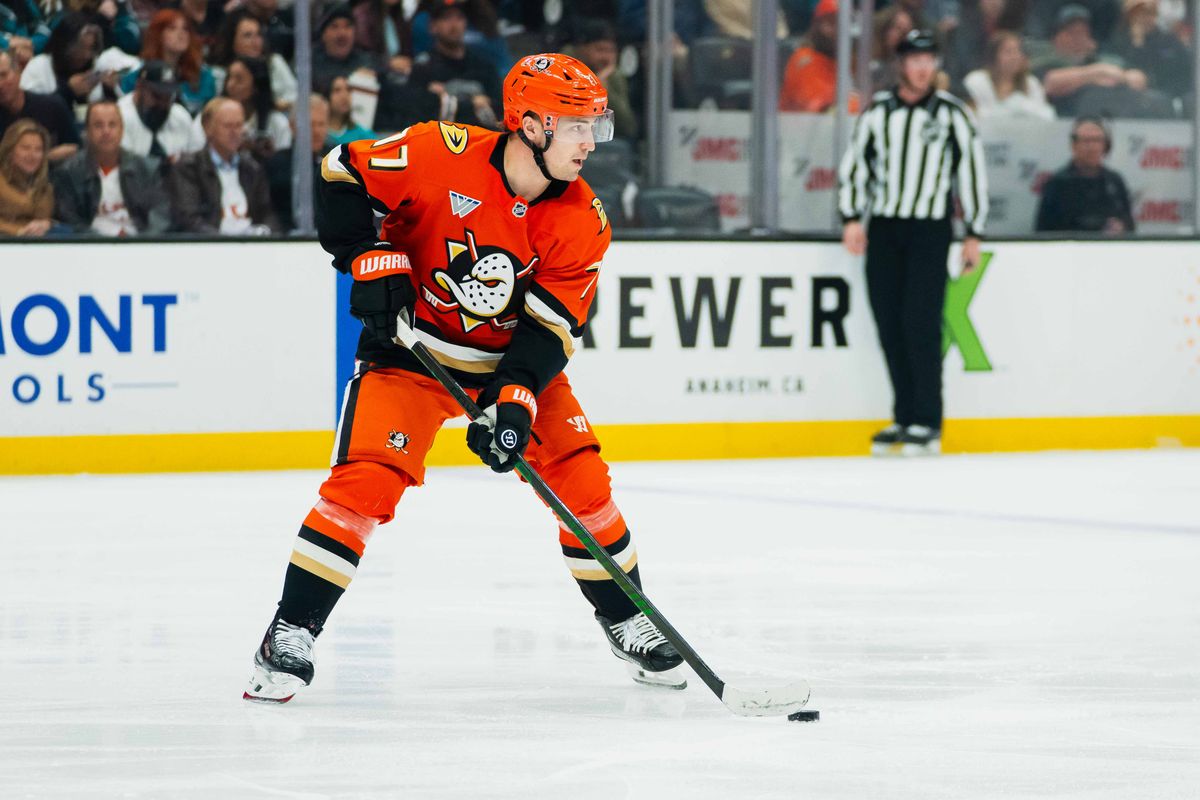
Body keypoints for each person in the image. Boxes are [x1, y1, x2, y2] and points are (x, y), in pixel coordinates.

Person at [243, 53, 685, 704]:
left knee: (584, 483)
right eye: (575, 125)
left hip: (504, 365)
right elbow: (341, 173)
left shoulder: (581, 220)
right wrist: (368, 257)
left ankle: (627, 618)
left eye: (597, 125)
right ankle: (289, 631)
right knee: (364, 483)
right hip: (410, 355)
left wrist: (513, 401)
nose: (590, 142)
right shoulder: (436, 152)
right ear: (529, 125)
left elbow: (549, 331)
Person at [838, 30, 988, 456]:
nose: (922, 67)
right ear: (901, 64)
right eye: (914, 59)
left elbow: (971, 173)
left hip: (929, 229)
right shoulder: (879, 112)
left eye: (929, 59)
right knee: (889, 323)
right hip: (885, 226)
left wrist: (973, 232)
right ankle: (904, 415)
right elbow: (856, 167)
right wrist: (852, 216)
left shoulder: (952, 114)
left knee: (920, 323)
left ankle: (928, 419)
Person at [1032, 4, 1173, 118]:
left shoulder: (1106, 60)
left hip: (1121, 120)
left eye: (1083, 32)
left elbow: (1139, 78)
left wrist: (1118, 76)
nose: (1078, 38)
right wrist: (1097, 73)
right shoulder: (1045, 63)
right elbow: (1050, 82)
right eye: (1071, 32)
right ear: (1055, 37)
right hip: (1070, 124)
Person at [51, 99, 169, 235]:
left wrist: (142, 245)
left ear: (122, 129)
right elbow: (70, 222)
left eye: (112, 125)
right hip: (91, 248)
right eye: (98, 125)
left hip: (141, 247)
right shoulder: (69, 172)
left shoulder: (148, 168)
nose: (106, 131)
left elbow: (161, 216)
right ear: (87, 131)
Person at [167, 97, 279, 234]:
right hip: (211, 247)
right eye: (227, 126)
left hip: (252, 246)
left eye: (238, 125)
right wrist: (223, 241)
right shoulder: (188, 168)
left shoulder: (252, 168)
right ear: (208, 128)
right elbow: (189, 219)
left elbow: (267, 212)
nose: (234, 132)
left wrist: (265, 231)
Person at [407, 0, 504, 129]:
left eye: (459, 18)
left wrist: (486, 103)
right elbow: (414, 117)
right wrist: (471, 105)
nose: (454, 25)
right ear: (432, 26)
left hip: (482, 139)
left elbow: (503, 109)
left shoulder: (484, 66)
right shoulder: (423, 68)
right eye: (446, 18)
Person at [1035, 115, 1135, 233]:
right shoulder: (1057, 183)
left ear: (1105, 146)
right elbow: (1043, 230)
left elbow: (1129, 223)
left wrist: (1121, 227)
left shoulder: (1115, 181)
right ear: (1074, 146)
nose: (1092, 147)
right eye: (1086, 141)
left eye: (1097, 140)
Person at [119, 9, 216, 118]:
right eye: (172, 28)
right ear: (158, 34)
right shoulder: (139, 74)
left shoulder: (204, 76)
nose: (181, 34)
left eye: (185, 29)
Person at [196, 55, 291, 163]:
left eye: (239, 79)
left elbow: (284, 166)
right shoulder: (208, 117)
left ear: (256, 86)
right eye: (229, 78)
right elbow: (194, 158)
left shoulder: (277, 123)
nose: (230, 85)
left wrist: (268, 156)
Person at [1107, 0, 1192, 110]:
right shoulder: (1120, 41)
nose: (1144, 18)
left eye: (1149, 13)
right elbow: (1120, 67)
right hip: (1129, 98)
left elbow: (1183, 71)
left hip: (1166, 97)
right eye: (1139, 14)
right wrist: (1137, 42)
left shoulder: (1168, 40)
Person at [267, 93, 334, 231]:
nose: (316, 131)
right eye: (311, 125)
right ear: (293, 127)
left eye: (321, 124)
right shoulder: (277, 165)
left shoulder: (337, 160)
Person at [208, 9, 298, 112]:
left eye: (258, 34)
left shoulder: (274, 62)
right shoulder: (217, 72)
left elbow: (294, 98)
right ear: (232, 39)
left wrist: (274, 105)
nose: (255, 42)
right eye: (247, 36)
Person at [779, 0, 859, 114]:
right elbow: (819, 110)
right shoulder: (805, 59)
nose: (837, 30)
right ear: (817, 25)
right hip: (797, 129)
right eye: (831, 23)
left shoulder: (845, 61)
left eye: (844, 24)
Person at [0, 50, 80, 163]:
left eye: (3, 75)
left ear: (18, 72)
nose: (0, 84)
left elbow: (76, 148)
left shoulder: (52, 106)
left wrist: (40, 158)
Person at [117, 60, 201, 159]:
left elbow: (196, 160)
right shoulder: (119, 116)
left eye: (168, 97)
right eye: (157, 96)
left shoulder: (181, 116)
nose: (162, 104)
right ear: (139, 87)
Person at [963, 30, 1055, 120]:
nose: (1015, 57)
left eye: (1018, 51)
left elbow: (1045, 115)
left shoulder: (1031, 83)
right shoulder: (977, 81)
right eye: (1008, 52)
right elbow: (974, 114)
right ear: (994, 56)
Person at [569, 18, 636, 139]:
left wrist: (605, 91)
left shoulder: (614, 76)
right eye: (600, 50)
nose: (606, 57)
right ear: (581, 49)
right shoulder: (564, 69)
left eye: (611, 51)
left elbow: (628, 127)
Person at [0, 118, 54, 236]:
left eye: (38, 149)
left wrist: (45, 224)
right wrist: (18, 231)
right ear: (10, 150)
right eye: (25, 148)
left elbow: (44, 220)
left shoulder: (45, 187)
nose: (32, 155)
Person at [312, 4, 380, 89]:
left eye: (347, 26)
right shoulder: (309, 65)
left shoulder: (367, 62)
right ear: (323, 34)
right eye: (334, 26)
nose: (342, 34)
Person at [320, 74, 375, 145]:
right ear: (326, 95)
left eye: (348, 90)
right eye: (337, 90)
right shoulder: (317, 134)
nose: (344, 96)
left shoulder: (364, 137)